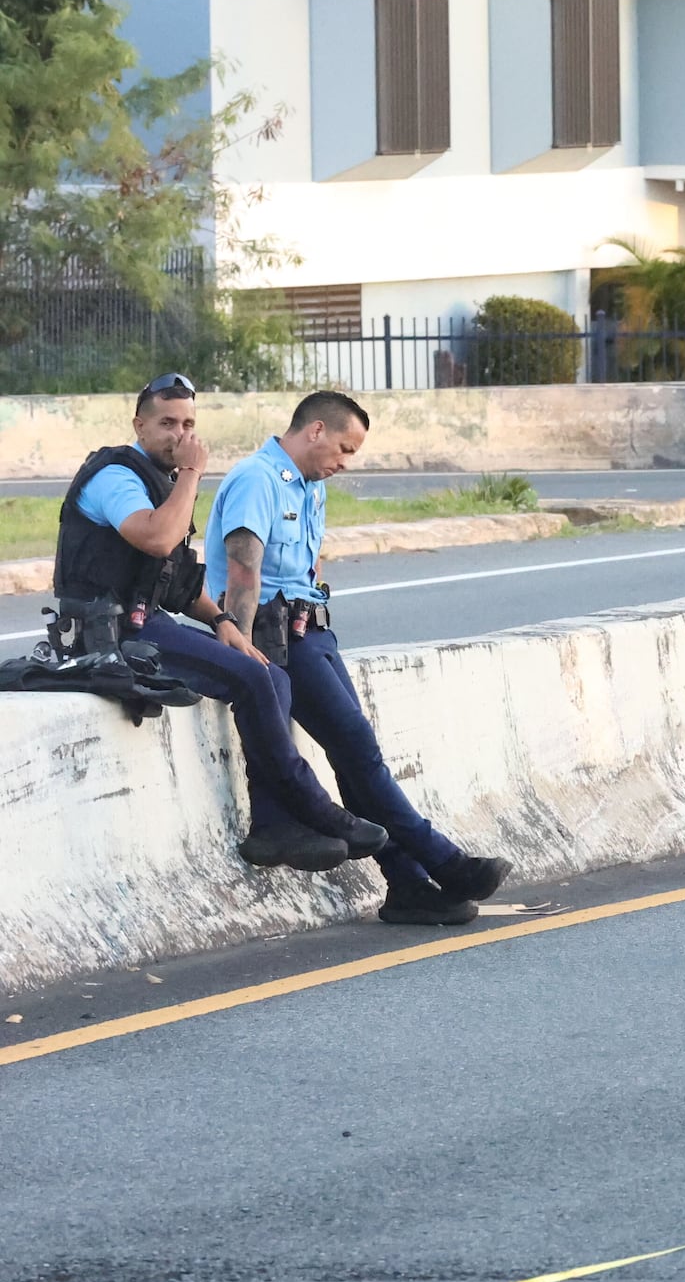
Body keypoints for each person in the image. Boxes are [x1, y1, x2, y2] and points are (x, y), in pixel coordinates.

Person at [47, 373, 388, 872]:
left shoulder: (158, 480)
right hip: (105, 634)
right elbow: (157, 540)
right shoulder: (116, 476)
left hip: (142, 623)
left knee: (267, 671)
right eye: (166, 423)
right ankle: (312, 807)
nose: (179, 434)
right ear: (139, 425)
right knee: (252, 679)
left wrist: (223, 620)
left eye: (188, 423)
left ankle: (272, 826)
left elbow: (177, 576)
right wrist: (190, 475)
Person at [206, 391, 513, 926]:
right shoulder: (257, 479)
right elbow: (242, 573)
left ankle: (408, 885)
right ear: (316, 430)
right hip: (273, 638)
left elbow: (308, 560)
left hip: (310, 629)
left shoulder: (312, 486)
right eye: (344, 448)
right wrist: (247, 653)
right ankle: (444, 861)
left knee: (356, 756)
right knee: (357, 747)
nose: (344, 462)